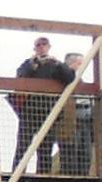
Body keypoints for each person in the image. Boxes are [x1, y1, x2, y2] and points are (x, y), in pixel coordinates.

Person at [10, 35, 74, 173]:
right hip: (30, 111)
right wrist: (33, 65)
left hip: (48, 110)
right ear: (35, 48)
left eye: (44, 44)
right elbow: (20, 77)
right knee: (23, 144)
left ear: (49, 47)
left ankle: (43, 177)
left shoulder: (55, 65)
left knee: (45, 146)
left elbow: (69, 78)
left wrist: (58, 63)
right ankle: (17, 174)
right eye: (39, 45)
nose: (42, 47)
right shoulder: (28, 63)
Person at [62, 52, 94, 175]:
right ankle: (72, 176)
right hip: (72, 118)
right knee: (72, 150)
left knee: (85, 151)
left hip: (85, 118)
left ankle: (83, 175)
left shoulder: (79, 79)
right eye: (80, 63)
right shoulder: (65, 78)